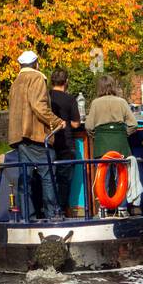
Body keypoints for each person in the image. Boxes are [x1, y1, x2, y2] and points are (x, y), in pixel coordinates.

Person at [7, 51, 64, 220]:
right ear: (36, 64)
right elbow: (39, 106)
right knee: (48, 175)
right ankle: (53, 215)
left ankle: (27, 217)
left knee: (26, 178)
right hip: (36, 135)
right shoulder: (37, 78)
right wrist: (57, 121)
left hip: (20, 137)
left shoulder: (16, 82)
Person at [49, 67, 82, 212]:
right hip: (65, 144)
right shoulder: (70, 99)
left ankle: (49, 210)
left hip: (49, 143)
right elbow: (76, 123)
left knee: (49, 179)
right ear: (66, 82)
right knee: (64, 180)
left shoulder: (46, 97)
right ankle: (61, 210)